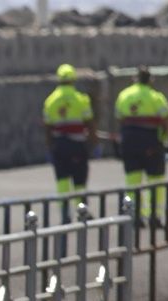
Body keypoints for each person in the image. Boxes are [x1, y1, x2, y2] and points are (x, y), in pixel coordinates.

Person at [115, 66, 168, 224]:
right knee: (155, 179)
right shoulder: (155, 97)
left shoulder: (124, 95)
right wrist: (164, 136)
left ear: (135, 78)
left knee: (132, 179)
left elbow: (119, 117)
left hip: (129, 141)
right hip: (151, 141)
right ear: (150, 80)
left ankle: (133, 214)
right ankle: (154, 214)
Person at [42, 64, 96, 202]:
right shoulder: (81, 99)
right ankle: (81, 211)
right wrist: (92, 143)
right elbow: (89, 123)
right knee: (79, 181)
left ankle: (64, 214)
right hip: (77, 145)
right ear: (73, 79)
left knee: (62, 180)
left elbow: (48, 127)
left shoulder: (50, 100)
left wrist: (50, 147)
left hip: (59, 145)